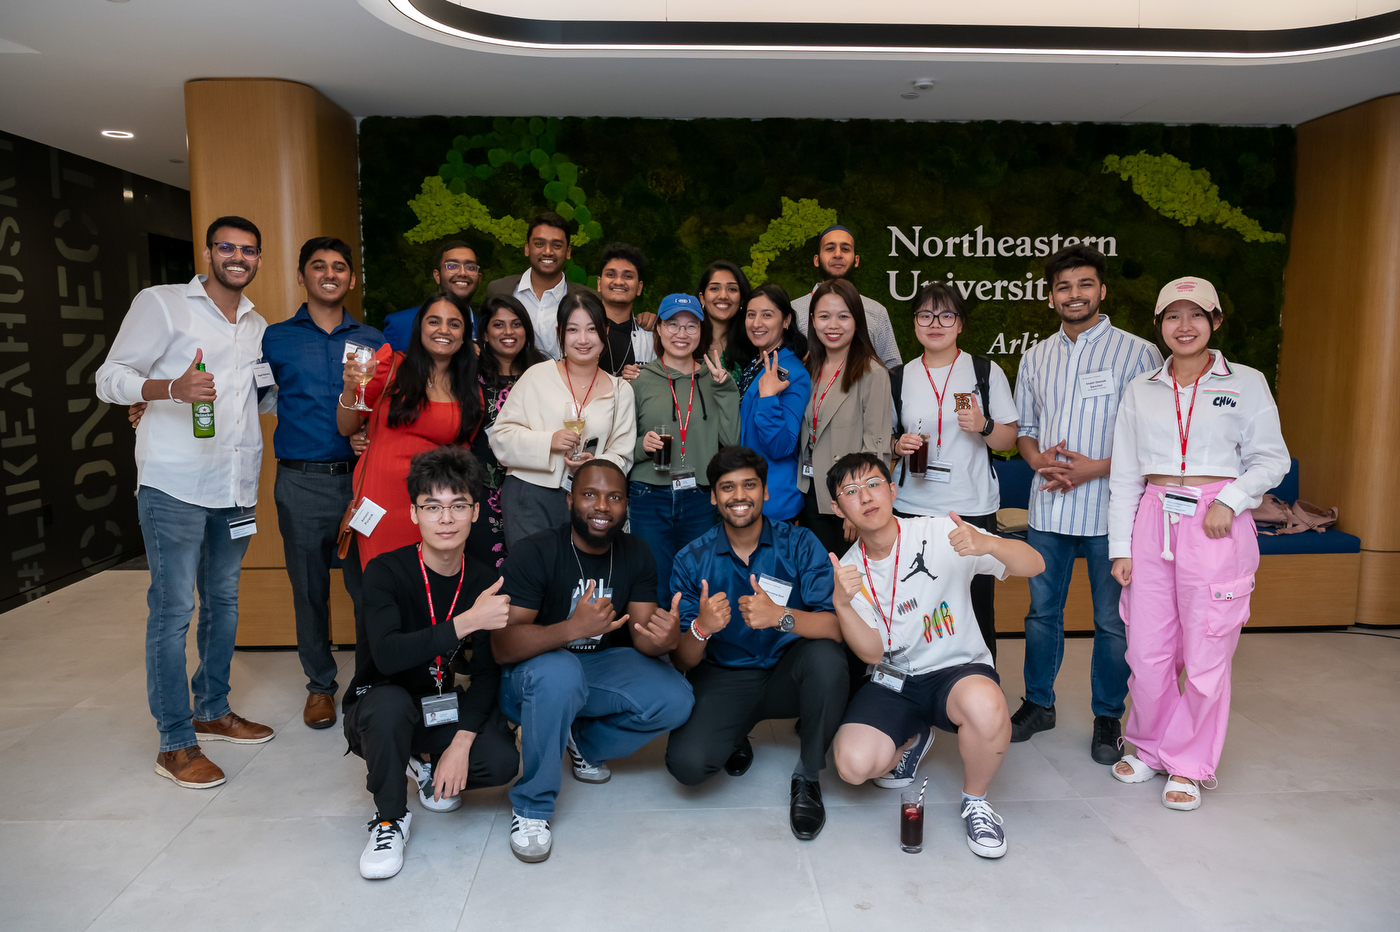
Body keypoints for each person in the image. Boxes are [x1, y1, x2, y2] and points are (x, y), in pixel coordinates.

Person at [94, 215, 275, 789]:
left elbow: (261, 399)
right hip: (174, 483)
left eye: (248, 250)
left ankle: (213, 709)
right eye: (227, 247)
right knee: (173, 613)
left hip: (235, 486)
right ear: (208, 252)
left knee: (224, 603)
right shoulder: (163, 303)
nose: (237, 257)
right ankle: (175, 741)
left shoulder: (257, 324)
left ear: (258, 261)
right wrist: (165, 389)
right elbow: (110, 376)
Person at [1107, 277, 1288, 811]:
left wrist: (1230, 500)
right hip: (1151, 519)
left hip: (1216, 523)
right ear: (1159, 325)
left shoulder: (1247, 382)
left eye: (1195, 316)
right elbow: (1124, 473)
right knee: (1146, 648)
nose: (1183, 327)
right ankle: (1146, 744)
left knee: (1208, 648)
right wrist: (1122, 546)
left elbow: (1271, 459)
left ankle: (1187, 761)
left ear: (1215, 321)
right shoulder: (1142, 387)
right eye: (1171, 317)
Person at [827, 453, 1044, 859]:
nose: (867, 497)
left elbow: (1035, 564)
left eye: (874, 484)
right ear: (838, 509)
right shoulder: (850, 569)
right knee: (852, 766)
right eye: (851, 492)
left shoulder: (939, 532)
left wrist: (989, 543)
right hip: (895, 682)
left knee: (986, 707)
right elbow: (872, 651)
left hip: (956, 671)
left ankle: (975, 801)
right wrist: (841, 603)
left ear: (893, 490)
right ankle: (913, 736)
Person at [494, 459, 693, 863]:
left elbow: (642, 638)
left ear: (626, 506)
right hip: (532, 676)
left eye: (614, 497)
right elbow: (503, 646)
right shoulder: (537, 551)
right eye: (590, 495)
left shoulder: (636, 552)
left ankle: (581, 740)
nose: (602, 506)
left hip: (597, 668)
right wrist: (570, 629)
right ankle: (532, 806)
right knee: (560, 673)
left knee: (677, 697)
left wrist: (666, 639)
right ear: (570, 500)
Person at [1011, 244, 1162, 765]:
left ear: (1102, 290)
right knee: (1041, 615)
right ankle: (1038, 704)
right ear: (1050, 295)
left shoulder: (1139, 353)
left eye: (1084, 285)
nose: (1074, 295)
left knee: (1112, 621)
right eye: (1063, 287)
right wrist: (1037, 462)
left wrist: (1094, 468)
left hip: (1111, 513)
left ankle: (1106, 716)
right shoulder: (1036, 356)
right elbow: (1025, 432)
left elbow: (1152, 438)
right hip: (1048, 509)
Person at [345, 445, 520, 879]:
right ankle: (389, 820)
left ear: (476, 513)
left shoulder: (481, 579)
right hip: (380, 704)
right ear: (413, 514)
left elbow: (485, 674)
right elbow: (386, 654)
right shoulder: (385, 572)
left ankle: (425, 766)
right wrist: (466, 622)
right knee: (389, 708)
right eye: (432, 507)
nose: (446, 519)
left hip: (438, 705)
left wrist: (460, 745)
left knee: (501, 761)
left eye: (458, 506)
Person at [665, 447, 845, 840]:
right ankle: (734, 734)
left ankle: (808, 777)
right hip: (726, 676)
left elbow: (836, 628)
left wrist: (780, 616)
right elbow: (682, 659)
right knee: (688, 765)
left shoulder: (799, 543)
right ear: (713, 496)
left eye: (749, 484)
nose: (739, 495)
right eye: (727, 487)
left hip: (790, 673)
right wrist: (701, 628)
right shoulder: (690, 560)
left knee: (828, 660)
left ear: (765, 491)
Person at [263, 237, 385, 728]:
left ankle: (371, 679)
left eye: (339, 267)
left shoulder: (375, 340)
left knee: (370, 587)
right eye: (319, 266)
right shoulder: (274, 338)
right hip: (301, 481)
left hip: (362, 483)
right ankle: (319, 685)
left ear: (351, 279)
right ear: (302, 276)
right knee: (309, 589)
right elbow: (241, 393)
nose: (330, 274)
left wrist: (368, 438)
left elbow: (389, 407)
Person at [890, 283, 1018, 664]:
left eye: (947, 315)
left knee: (975, 604)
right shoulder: (899, 377)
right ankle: (915, 682)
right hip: (913, 505)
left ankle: (981, 683)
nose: (936, 323)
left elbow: (1008, 439)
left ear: (960, 324)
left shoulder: (983, 371)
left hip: (971, 505)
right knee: (914, 601)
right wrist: (898, 446)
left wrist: (984, 424)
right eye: (925, 315)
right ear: (914, 323)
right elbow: (886, 439)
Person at [338, 293, 483, 569]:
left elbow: (463, 453)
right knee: (384, 585)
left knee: (430, 590)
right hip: (382, 503)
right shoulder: (390, 364)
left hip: (437, 507)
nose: (443, 330)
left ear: (465, 335)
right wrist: (348, 388)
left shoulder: (469, 388)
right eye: (434, 321)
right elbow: (347, 426)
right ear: (420, 328)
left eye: (454, 324)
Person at [490, 291, 637, 549]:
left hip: (591, 502)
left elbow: (623, 455)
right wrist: (549, 442)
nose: (583, 339)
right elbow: (500, 438)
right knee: (532, 577)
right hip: (529, 494)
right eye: (573, 329)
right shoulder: (536, 376)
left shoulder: (620, 390)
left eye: (592, 329)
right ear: (560, 333)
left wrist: (596, 464)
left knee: (578, 579)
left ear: (606, 330)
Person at [630, 293, 739, 605]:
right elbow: (621, 441)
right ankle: (657, 652)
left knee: (696, 579)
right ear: (660, 329)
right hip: (648, 494)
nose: (682, 334)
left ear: (701, 332)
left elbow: (730, 441)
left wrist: (725, 389)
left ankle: (692, 648)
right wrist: (642, 446)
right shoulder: (640, 380)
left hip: (699, 495)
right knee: (654, 581)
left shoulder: (714, 378)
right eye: (673, 325)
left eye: (691, 326)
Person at [797, 278, 891, 556]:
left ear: (857, 320)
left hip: (846, 501)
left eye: (843, 316)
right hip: (809, 493)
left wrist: (857, 507)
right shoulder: (808, 367)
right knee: (816, 582)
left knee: (848, 587)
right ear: (812, 321)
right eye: (824, 316)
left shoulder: (872, 372)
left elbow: (876, 449)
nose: (833, 325)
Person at [469, 294, 547, 569]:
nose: (508, 332)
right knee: (487, 570)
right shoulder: (469, 374)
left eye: (516, 324)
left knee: (533, 568)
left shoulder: (545, 373)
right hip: (482, 490)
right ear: (485, 334)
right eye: (498, 325)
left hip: (533, 490)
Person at [730, 283, 811, 523]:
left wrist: (767, 398)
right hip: (746, 494)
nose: (756, 323)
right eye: (751, 314)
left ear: (786, 321)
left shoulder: (793, 373)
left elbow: (781, 446)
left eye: (767, 315)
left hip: (773, 502)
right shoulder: (755, 363)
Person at [790, 225, 902, 370]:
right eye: (830, 248)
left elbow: (893, 370)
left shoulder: (876, 311)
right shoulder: (793, 310)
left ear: (856, 260)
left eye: (845, 249)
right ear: (816, 260)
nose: (838, 254)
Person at [486, 212, 595, 360]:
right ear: (527, 248)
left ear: (568, 252)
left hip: (567, 382)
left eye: (556, 245)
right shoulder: (499, 290)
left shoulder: (590, 299)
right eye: (539, 244)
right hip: (508, 381)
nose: (548, 252)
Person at [383, 239, 483, 351]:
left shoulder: (489, 331)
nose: (463, 273)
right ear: (437, 276)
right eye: (452, 266)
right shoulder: (400, 325)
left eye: (470, 267)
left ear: (479, 278)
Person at [596, 242, 656, 380]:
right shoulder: (577, 331)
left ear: (639, 287)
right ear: (599, 283)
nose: (618, 281)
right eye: (611, 274)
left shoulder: (650, 336)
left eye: (628, 276)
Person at [695, 260, 748, 375]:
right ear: (702, 298)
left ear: (741, 299)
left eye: (732, 289)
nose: (723, 296)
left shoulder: (752, 344)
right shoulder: (685, 339)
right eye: (714, 288)